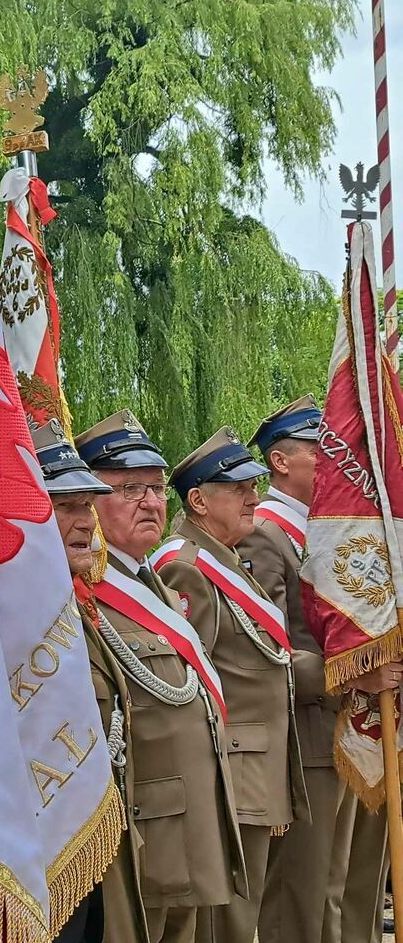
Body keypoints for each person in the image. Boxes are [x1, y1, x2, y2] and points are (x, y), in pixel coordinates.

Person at [75, 411, 246, 943]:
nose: (150, 502)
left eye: (154, 487)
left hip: (189, 823)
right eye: (129, 489)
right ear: (87, 502)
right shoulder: (83, 597)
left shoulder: (158, 589)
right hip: (141, 834)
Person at [152, 428, 309, 943]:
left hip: (253, 771)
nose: (253, 499)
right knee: (227, 928)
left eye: (254, 487)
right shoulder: (187, 569)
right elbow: (187, 686)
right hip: (229, 777)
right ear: (198, 501)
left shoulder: (226, 559)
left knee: (245, 919)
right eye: (238, 489)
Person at [34, 418, 144, 943]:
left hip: (93, 848)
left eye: (88, 505)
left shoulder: (73, 605)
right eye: (66, 507)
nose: (86, 522)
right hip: (39, 860)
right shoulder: (10, 620)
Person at [243, 395, 344, 943]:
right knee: (300, 897)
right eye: (318, 448)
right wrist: (349, 673)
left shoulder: (325, 528)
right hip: (305, 736)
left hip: (346, 725)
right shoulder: (265, 533)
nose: (333, 459)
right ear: (280, 461)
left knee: (343, 887)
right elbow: (266, 649)